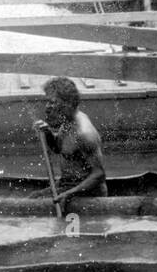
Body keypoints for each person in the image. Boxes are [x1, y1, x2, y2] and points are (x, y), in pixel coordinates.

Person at [33, 76, 109, 205]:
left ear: (66, 103)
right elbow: (58, 148)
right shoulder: (67, 122)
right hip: (67, 185)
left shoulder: (84, 133)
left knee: (35, 204)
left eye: (52, 102)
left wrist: (69, 194)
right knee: (34, 197)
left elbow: (99, 174)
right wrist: (47, 133)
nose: (47, 107)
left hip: (86, 195)